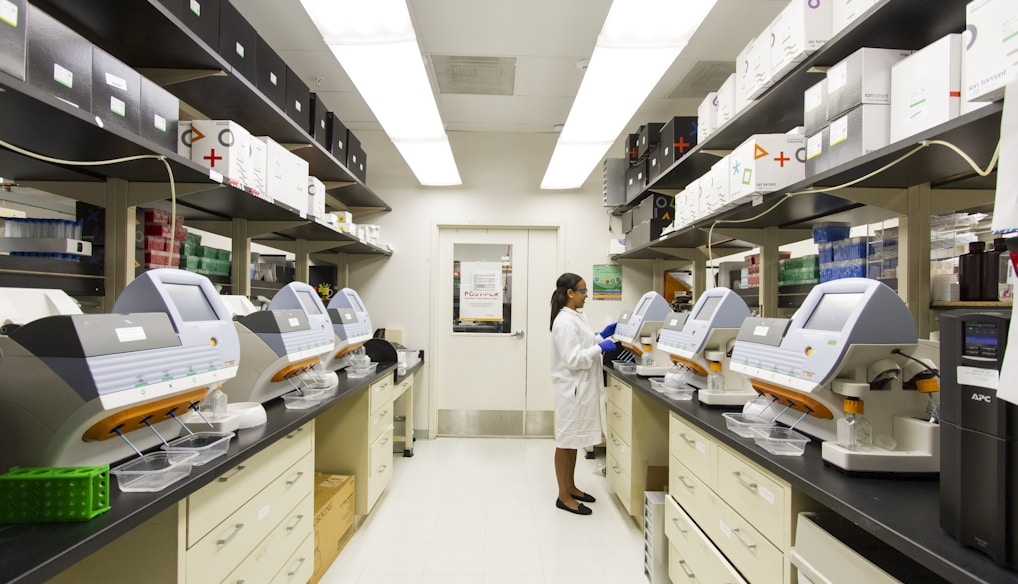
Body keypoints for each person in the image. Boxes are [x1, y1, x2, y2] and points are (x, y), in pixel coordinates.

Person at [549, 272, 617, 515]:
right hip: (571, 390)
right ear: (570, 293)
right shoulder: (564, 321)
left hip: (579, 389)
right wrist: (600, 347)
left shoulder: (576, 316)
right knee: (566, 441)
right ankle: (563, 496)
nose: (586, 296)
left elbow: (583, 345)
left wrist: (601, 336)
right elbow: (573, 358)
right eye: (583, 291)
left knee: (574, 441)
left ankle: (571, 486)